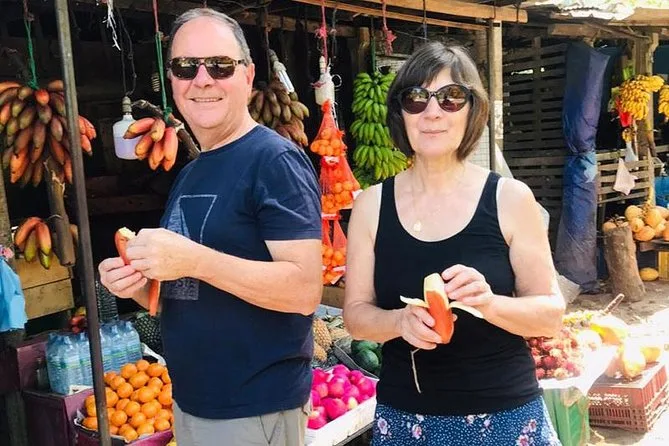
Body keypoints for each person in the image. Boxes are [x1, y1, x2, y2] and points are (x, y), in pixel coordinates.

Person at [98, 8, 322, 446]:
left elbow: (304, 290)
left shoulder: (274, 160)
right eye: (186, 67)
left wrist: (195, 260)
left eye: (220, 65)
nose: (202, 80)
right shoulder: (193, 172)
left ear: (248, 75)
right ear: (171, 79)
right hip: (192, 404)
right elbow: (182, 297)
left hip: (253, 410)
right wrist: (136, 286)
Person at [343, 41, 565, 445]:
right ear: (400, 113)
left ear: (472, 110)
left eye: (451, 97)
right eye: (416, 98)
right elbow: (356, 316)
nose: (432, 112)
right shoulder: (371, 205)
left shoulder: (510, 199)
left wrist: (489, 304)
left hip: (505, 418)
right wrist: (399, 322)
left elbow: (550, 315)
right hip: (406, 421)